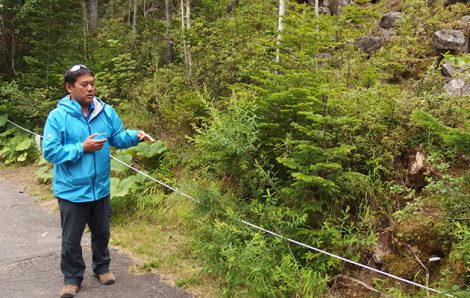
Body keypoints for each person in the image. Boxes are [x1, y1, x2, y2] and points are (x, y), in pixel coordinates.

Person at [42, 64, 155, 298]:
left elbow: (118, 137)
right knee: (71, 239)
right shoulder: (58, 116)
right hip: (72, 190)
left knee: (102, 232)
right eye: (84, 85)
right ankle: (72, 278)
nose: (90, 88)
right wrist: (81, 148)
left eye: (92, 83)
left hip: (101, 188)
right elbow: (50, 152)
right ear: (69, 87)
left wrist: (135, 136)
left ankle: (102, 268)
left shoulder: (105, 111)